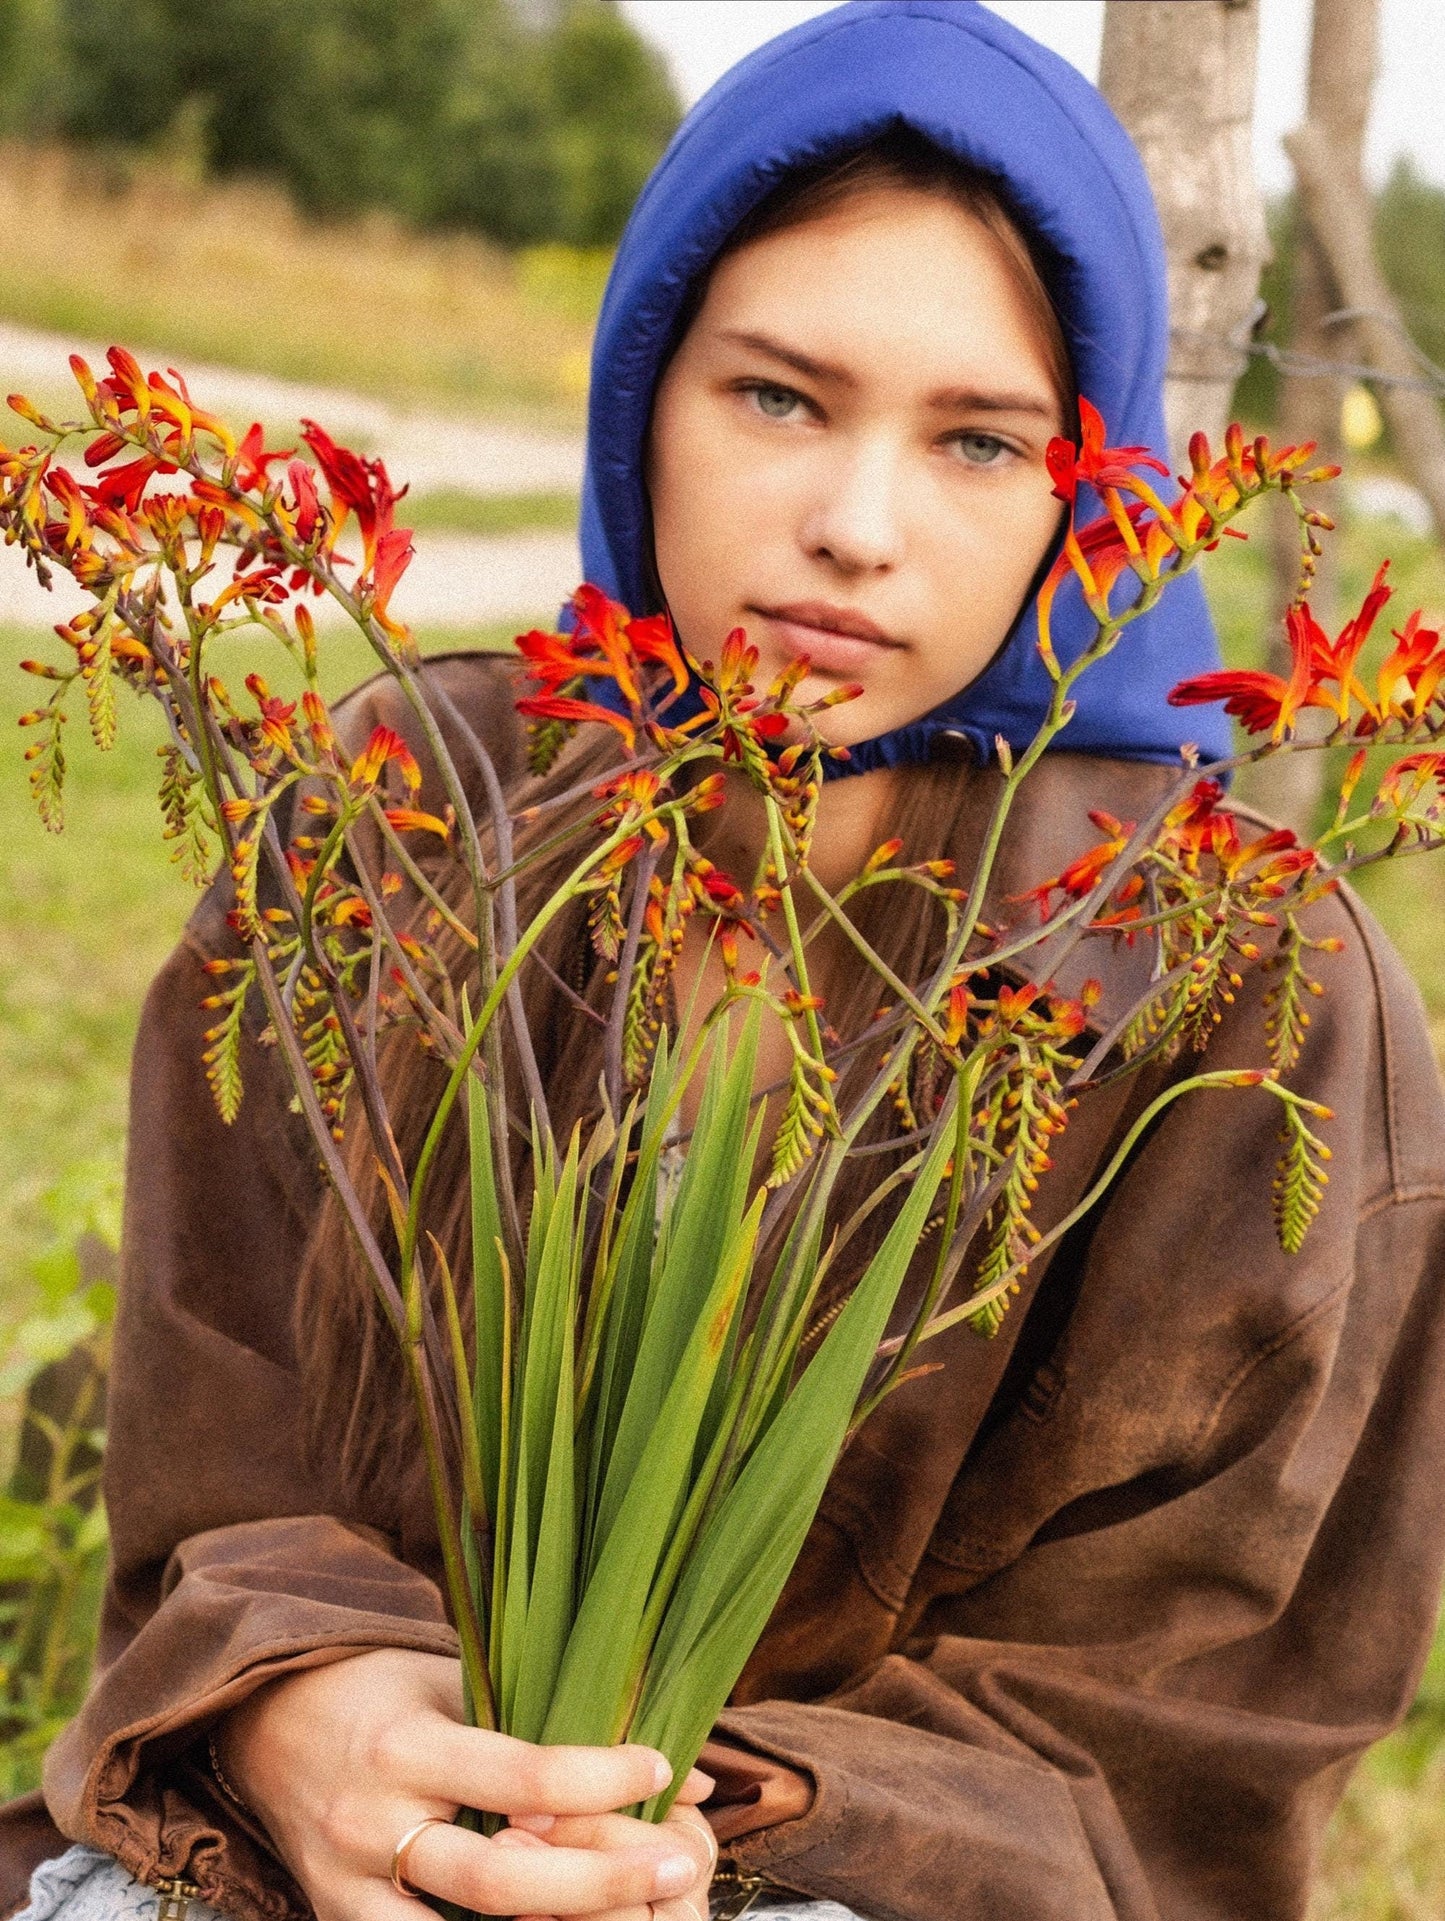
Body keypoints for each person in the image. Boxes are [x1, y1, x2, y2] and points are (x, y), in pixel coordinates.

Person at [5, 4, 1445, 1919]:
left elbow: (1192, 1718)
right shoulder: (405, 819)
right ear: (642, 394)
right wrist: (302, 1709)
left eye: (976, 440)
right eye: (776, 396)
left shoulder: (1246, 988)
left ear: (1084, 497)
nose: (853, 528)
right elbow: (218, 1470)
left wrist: (723, 1833)